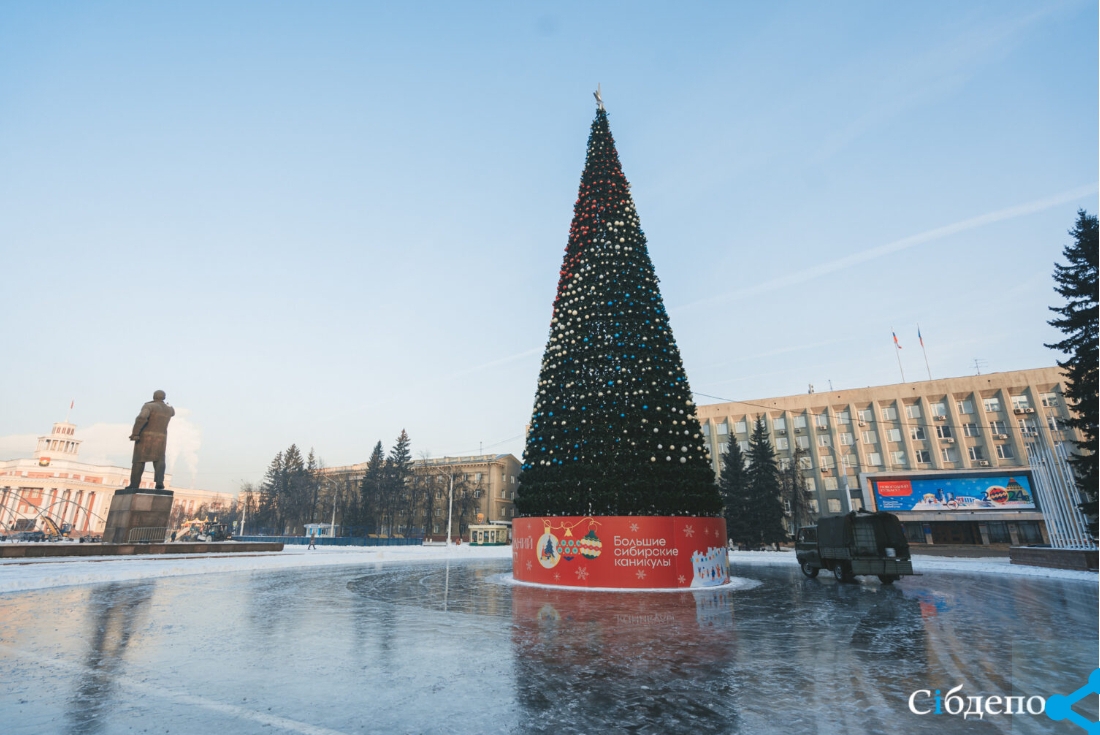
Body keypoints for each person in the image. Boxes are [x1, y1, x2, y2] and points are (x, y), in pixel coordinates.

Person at [128, 390, 175, 490]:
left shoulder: (149, 406)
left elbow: (141, 417)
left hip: (145, 437)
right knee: (159, 460)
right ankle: (159, 482)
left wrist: (135, 433)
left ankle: (134, 484)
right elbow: (173, 412)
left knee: (139, 461)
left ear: (154, 396)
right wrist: (167, 405)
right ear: (164, 397)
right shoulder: (169, 409)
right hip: (161, 438)